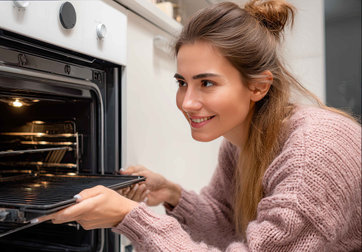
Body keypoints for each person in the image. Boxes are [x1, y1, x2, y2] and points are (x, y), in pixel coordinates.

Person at [37, 0, 362, 250]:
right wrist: (173, 195)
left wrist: (130, 217)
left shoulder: (313, 154)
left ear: (259, 87)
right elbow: (226, 222)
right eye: (182, 82)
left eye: (207, 83)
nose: (186, 102)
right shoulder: (241, 140)